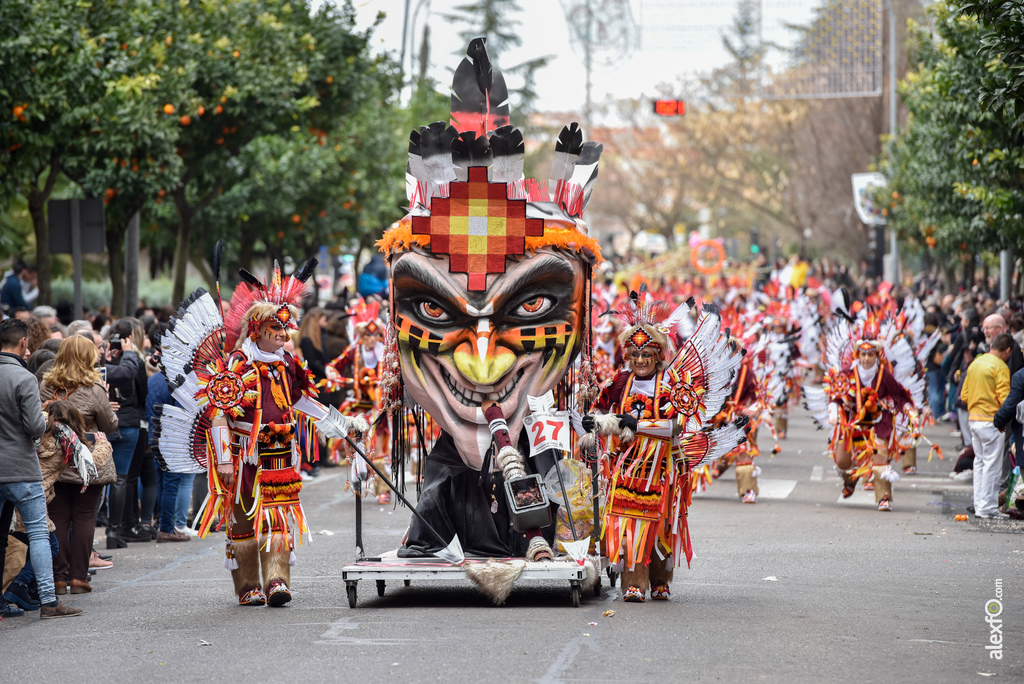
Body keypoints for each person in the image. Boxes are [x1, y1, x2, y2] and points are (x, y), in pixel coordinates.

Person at [153, 259, 367, 607]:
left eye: (286, 329)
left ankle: (277, 581)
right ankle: (248, 584)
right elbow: (219, 412)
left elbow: (301, 400)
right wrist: (222, 459)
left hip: (280, 452)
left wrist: (342, 426)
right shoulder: (236, 364)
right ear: (256, 331)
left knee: (278, 516)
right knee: (243, 518)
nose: (284, 335)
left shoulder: (287, 365)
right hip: (242, 455)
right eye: (276, 330)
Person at [582, 294, 745, 601]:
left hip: (661, 468)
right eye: (635, 354)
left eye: (647, 354)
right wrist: (595, 420)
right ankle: (633, 582)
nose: (641, 360)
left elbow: (677, 425)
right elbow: (599, 410)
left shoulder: (671, 384)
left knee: (658, 527)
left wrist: (634, 425)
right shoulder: (620, 381)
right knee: (628, 523)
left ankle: (660, 578)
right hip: (627, 465)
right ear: (628, 355)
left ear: (657, 355)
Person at [0, 318, 82, 618]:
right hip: (21, 466)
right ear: (23, 343)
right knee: (38, 533)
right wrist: (48, 419)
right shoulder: (24, 379)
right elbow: (35, 427)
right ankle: (48, 600)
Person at [40, 336, 119, 592]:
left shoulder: (46, 386)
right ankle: (79, 577)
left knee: (58, 517)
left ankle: (58, 578)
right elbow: (109, 425)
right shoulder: (95, 388)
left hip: (55, 459)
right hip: (88, 459)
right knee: (85, 517)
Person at [102, 324, 145, 547]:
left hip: (108, 425)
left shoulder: (101, 366)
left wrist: (108, 359)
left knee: (106, 479)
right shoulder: (133, 363)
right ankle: (114, 531)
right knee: (120, 478)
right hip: (127, 424)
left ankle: (114, 530)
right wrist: (129, 353)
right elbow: (141, 390)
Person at [961, 333, 1012, 519]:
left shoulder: (975, 363)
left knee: (980, 463)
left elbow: (965, 394)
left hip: (973, 419)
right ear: (1007, 350)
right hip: (992, 421)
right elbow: (1005, 398)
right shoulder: (1000, 366)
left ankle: (979, 503)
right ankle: (987, 507)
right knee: (992, 465)